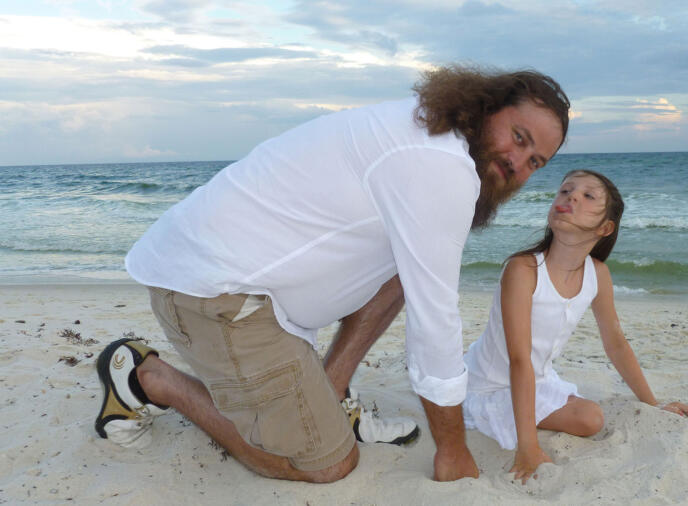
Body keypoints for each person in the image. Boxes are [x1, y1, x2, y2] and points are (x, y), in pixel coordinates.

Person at [93, 65, 570, 483]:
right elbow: (436, 325)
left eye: (535, 162)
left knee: (404, 271)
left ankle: (330, 390)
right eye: (519, 137)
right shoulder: (441, 167)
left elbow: (414, 285)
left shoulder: (431, 134)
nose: (517, 162)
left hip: (238, 280)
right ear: (488, 107)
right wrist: (452, 449)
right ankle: (149, 378)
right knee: (327, 464)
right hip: (214, 293)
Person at [462, 169, 688, 484]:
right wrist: (528, 447)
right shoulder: (524, 269)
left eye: (588, 196)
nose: (571, 196)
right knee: (590, 418)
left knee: (590, 418)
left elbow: (616, 343)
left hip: (538, 378)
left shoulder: (597, 274)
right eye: (565, 191)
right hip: (490, 384)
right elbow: (518, 359)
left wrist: (654, 404)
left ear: (605, 227)